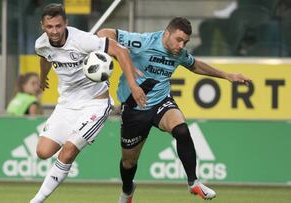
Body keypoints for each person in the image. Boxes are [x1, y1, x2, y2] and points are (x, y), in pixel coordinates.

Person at [97, 17, 251, 202]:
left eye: (185, 42)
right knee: (129, 162)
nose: (181, 45)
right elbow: (103, 34)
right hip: (134, 109)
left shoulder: (179, 54)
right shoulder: (143, 41)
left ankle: (193, 182)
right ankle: (128, 190)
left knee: (182, 130)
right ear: (166, 33)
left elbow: (195, 65)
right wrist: (123, 57)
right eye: (178, 40)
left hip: (161, 102)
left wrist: (227, 75)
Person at [29, 3, 145, 203]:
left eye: (58, 26)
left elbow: (120, 50)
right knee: (42, 152)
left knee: (69, 150)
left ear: (66, 23)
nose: (54, 31)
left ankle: (37, 200)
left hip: (95, 104)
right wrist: (42, 77)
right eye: (50, 27)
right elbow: (44, 57)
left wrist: (134, 85)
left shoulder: (82, 40)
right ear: (42, 26)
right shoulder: (41, 43)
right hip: (66, 104)